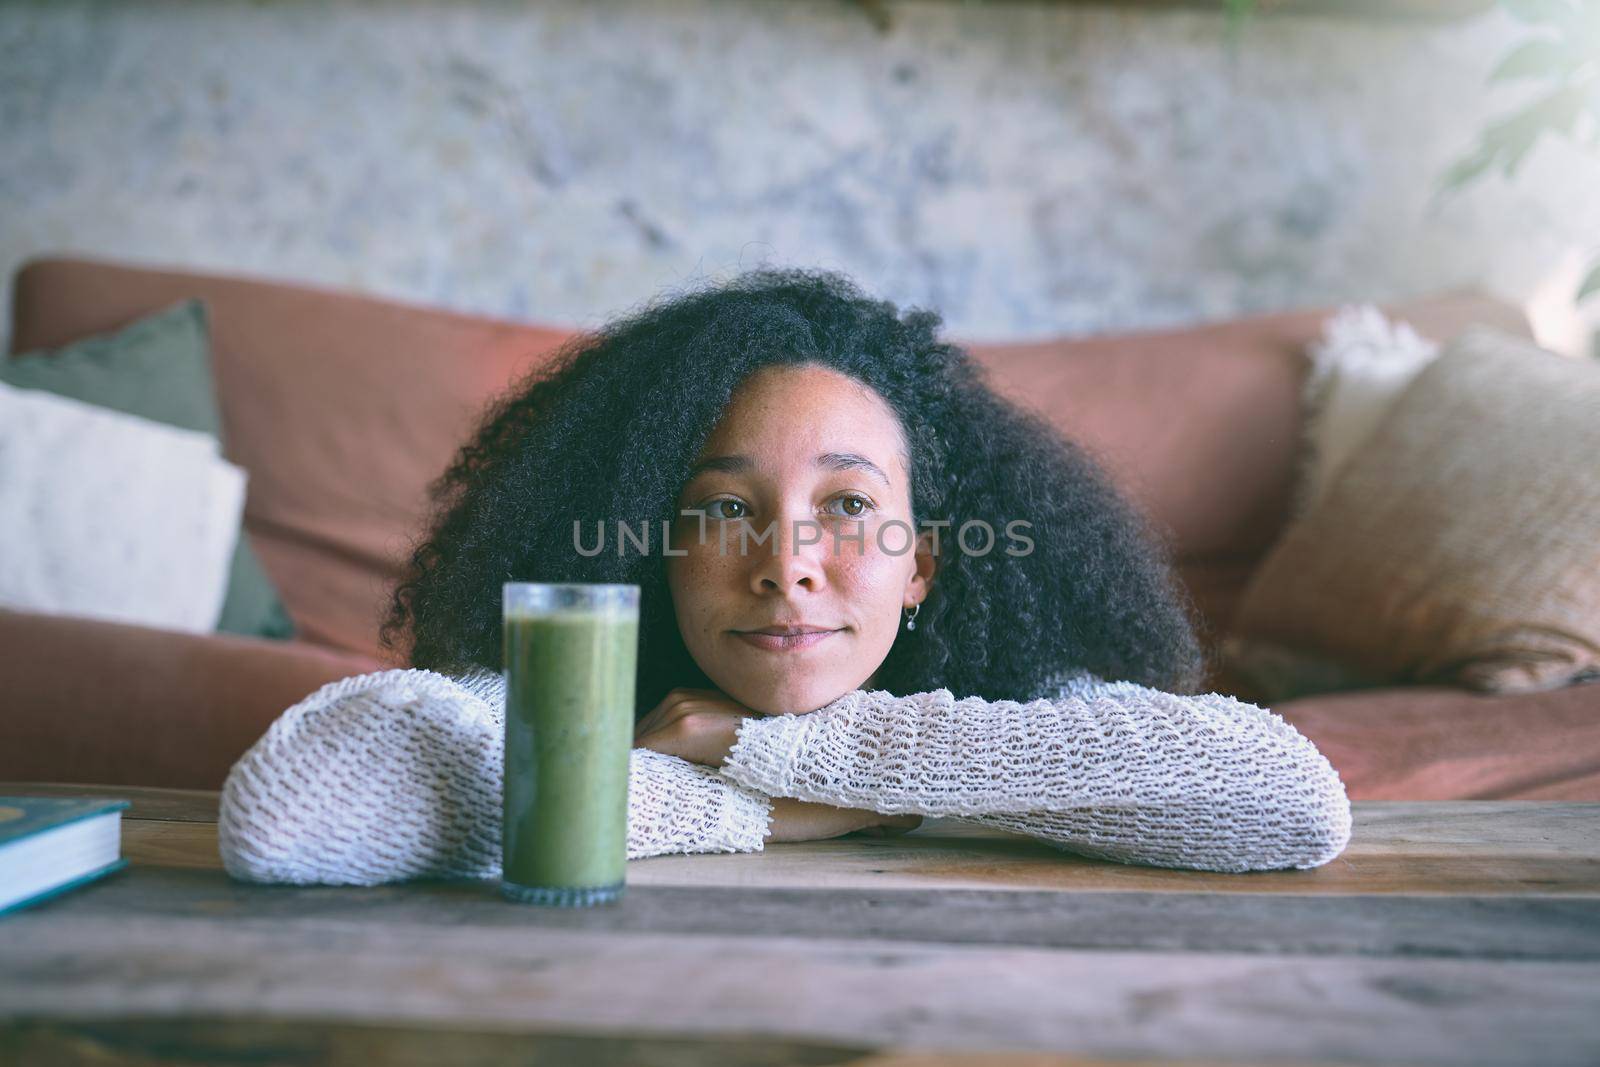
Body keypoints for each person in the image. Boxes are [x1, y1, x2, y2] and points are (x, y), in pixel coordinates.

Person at [218, 268, 1351, 885]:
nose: (785, 566)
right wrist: (752, 805)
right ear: (653, 544)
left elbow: (1291, 802)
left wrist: (795, 759)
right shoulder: (573, 695)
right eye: (723, 508)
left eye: (849, 507)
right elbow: (287, 816)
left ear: (923, 568)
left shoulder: (1013, 700)